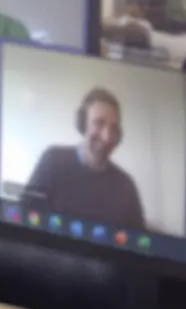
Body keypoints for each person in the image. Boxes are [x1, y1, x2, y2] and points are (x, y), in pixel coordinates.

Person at [21, 88, 146, 231]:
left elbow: (140, 241)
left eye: (113, 128)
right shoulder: (52, 161)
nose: (107, 137)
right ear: (82, 124)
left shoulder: (126, 186)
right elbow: (24, 216)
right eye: (99, 123)